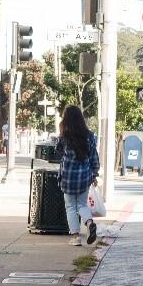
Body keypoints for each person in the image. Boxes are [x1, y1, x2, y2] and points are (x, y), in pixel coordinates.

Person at [56, 106, 100, 247]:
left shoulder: (64, 137)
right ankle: (89, 223)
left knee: (70, 207)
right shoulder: (90, 136)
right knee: (81, 204)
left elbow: (58, 152)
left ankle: (75, 238)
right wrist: (94, 173)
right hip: (84, 177)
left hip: (68, 177)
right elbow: (94, 157)